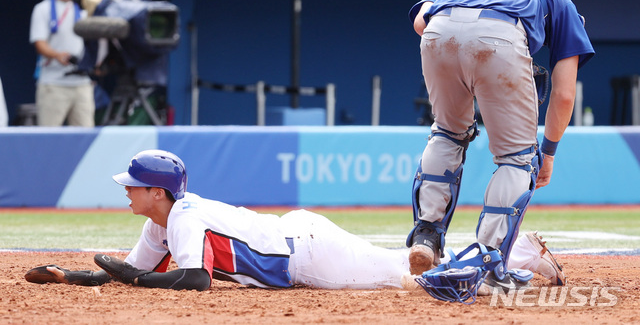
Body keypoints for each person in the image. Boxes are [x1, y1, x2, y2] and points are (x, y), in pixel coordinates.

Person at [24, 149, 564, 291]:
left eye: (131, 185)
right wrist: (71, 276)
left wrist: (127, 275)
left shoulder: (184, 217)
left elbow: (192, 281)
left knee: (414, 282)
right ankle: (512, 253)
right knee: (402, 266)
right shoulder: (162, 222)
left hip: (305, 255)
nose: (126, 191)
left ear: (155, 191)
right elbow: (131, 269)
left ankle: (517, 255)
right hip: (297, 235)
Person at [405, 0, 593, 292]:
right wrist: (547, 153)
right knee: (517, 158)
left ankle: (426, 235)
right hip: (503, 36)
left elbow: (421, 21)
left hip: (437, 31)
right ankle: (488, 261)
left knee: (448, 132)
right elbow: (564, 95)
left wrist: (465, 64)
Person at [29, 0, 95, 127]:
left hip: (82, 85)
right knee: (48, 139)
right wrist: (58, 55)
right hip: (53, 84)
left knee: (86, 140)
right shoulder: (42, 9)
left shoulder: (85, 8)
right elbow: (39, 43)